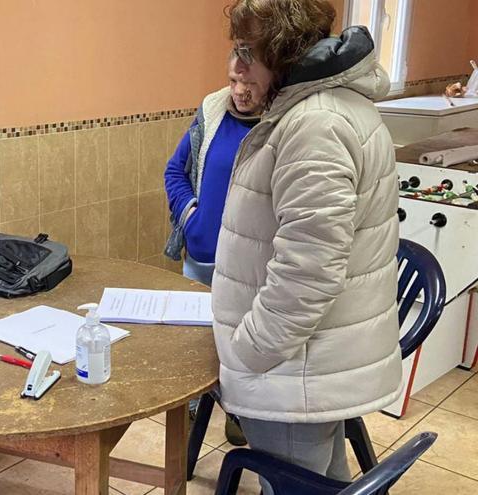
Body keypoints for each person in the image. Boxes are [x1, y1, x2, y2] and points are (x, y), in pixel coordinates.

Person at [211, 0, 402, 492]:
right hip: (307, 366)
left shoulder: (314, 125)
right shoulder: (322, 110)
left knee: (297, 482)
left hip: (292, 371)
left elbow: (307, 274)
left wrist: (249, 351)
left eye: (247, 51)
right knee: (320, 480)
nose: (234, 66)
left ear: (284, 46)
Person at [164, 54, 269, 447]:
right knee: (196, 346)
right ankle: (192, 414)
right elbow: (175, 171)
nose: (239, 91)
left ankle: (239, 415)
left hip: (249, 269)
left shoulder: (283, 126)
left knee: (241, 351)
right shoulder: (211, 110)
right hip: (201, 258)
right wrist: (192, 215)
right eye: (232, 81)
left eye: (249, 83)